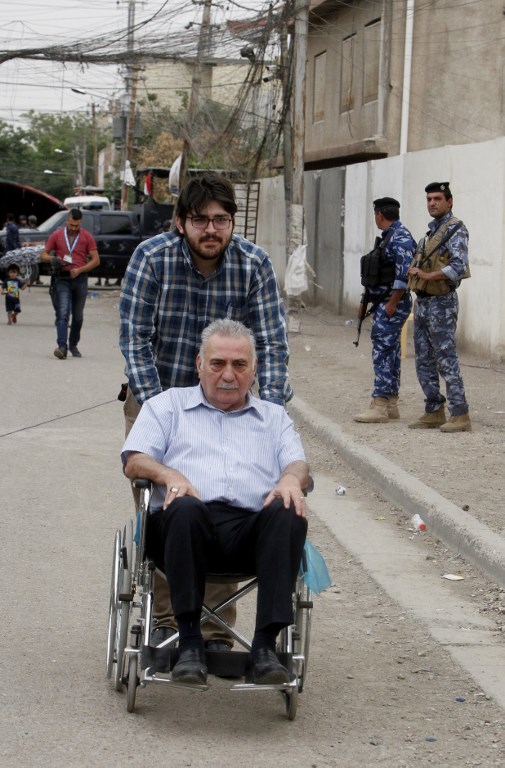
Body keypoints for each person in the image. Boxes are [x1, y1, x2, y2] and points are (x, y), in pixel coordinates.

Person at [119, 171, 291, 648]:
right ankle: (169, 618)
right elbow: (135, 338)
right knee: (174, 504)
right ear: (180, 223)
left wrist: (266, 418)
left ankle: (214, 627)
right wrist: (160, 410)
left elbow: (272, 344)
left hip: (233, 399)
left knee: (229, 497)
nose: (211, 230)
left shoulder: (254, 265)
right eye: (200, 220)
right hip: (160, 393)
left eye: (221, 220)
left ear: (233, 223)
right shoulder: (150, 258)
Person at [122, 319, 308, 686]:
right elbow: (134, 459)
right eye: (217, 363)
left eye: (239, 365)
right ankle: (190, 644)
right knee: (187, 508)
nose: (228, 374)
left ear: (253, 369)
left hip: (249, 535)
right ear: (199, 365)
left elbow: (298, 462)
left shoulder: (274, 417)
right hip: (181, 529)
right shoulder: (168, 406)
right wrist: (170, 476)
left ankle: (264, 648)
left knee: (289, 508)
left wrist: (290, 478)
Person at [407, 182, 471, 432]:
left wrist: (426, 276)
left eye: (437, 199)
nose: (432, 203)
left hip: (442, 302)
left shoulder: (456, 230)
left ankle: (460, 413)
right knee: (423, 358)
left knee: (446, 358)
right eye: (429, 199)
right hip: (423, 302)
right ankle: (433, 410)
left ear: (449, 201)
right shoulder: (429, 235)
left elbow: (457, 267)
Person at [353, 197, 416, 423]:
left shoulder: (400, 237)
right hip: (384, 301)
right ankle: (390, 403)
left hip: (392, 302)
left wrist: (391, 304)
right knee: (390, 351)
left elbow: (404, 275)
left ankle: (379, 404)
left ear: (379, 215)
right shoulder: (389, 237)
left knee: (382, 351)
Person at [39, 208, 100, 359]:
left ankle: (73, 344)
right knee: (63, 313)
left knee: (78, 317)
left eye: (76, 225)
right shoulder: (57, 235)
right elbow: (43, 255)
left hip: (80, 279)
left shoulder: (87, 237)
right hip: (62, 280)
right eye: (71, 225)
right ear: (67, 221)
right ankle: (62, 347)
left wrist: (80, 270)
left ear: (80, 223)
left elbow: (96, 260)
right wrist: (51, 259)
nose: (73, 228)